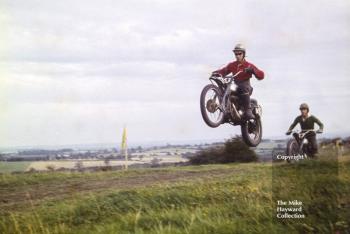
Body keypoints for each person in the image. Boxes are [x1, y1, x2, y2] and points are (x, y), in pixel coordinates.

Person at [212, 43, 264, 119]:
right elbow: (223, 71)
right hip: (236, 86)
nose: (237, 56)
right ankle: (226, 111)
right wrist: (215, 73)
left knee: (243, 87)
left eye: (239, 53)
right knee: (226, 89)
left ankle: (248, 111)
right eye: (236, 54)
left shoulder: (248, 65)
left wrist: (253, 70)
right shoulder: (232, 65)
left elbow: (261, 75)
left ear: (243, 54)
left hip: (246, 86)